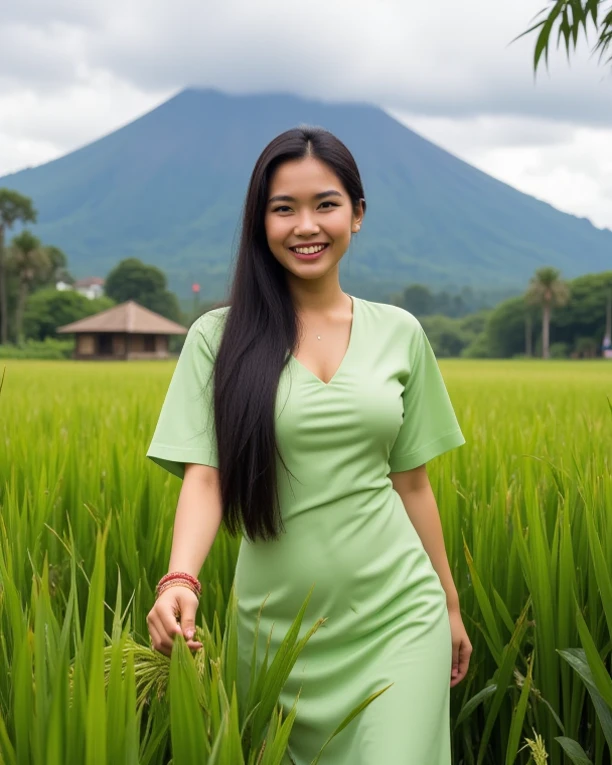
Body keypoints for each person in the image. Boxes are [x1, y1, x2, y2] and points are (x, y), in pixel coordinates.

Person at [145, 125, 472, 764]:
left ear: (357, 214)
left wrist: (450, 605)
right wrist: (178, 578)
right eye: (283, 208)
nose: (306, 225)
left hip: (399, 614)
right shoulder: (218, 338)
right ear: (259, 222)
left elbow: (412, 484)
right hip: (275, 635)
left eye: (324, 204)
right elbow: (205, 476)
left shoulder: (401, 333)